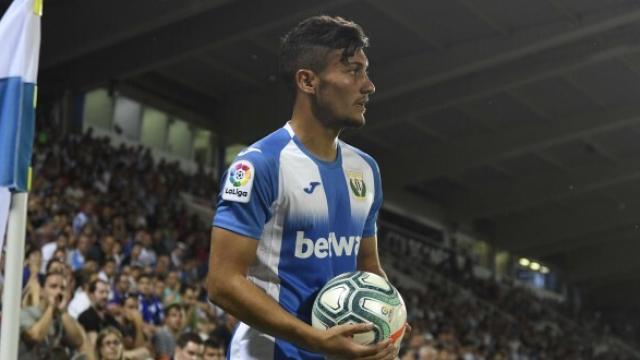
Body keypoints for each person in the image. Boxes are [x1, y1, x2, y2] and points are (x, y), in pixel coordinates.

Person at [207, 15, 400, 360]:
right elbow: (222, 283)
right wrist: (313, 339)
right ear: (308, 81)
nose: (368, 85)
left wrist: (390, 317)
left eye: (366, 71)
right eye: (353, 71)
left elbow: (367, 265)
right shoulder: (259, 165)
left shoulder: (365, 170)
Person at [19, 272, 87, 359]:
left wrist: (63, 312)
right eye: (53, 286)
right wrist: (51, 306)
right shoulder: (26, 313)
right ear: (42, 291)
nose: (59, 291)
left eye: (62, 288)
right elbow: (35, 336)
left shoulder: (59, 319)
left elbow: (77, 341)